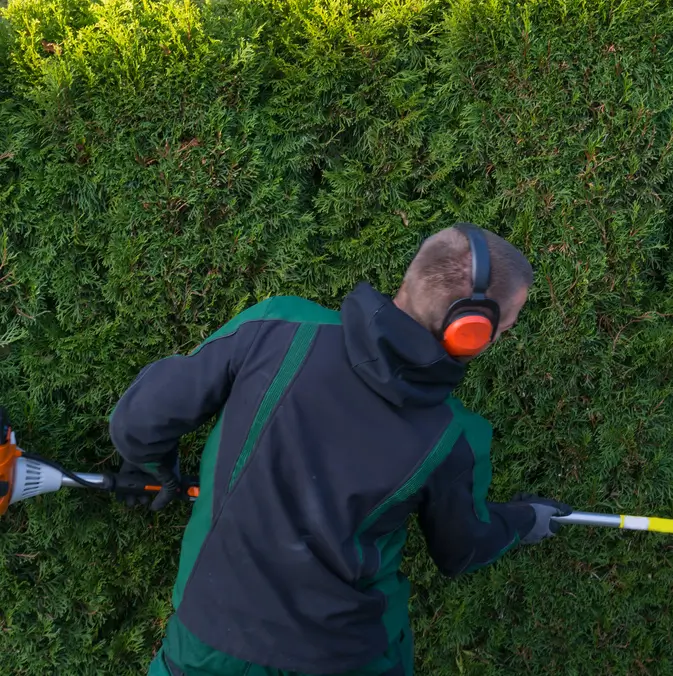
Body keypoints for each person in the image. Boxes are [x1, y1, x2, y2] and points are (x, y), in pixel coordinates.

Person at [109, 223, 570, 676]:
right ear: (468, 330)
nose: (503, 335)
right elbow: (462, 550)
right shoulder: (455, 439)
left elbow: (138, 423)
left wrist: (156, 470)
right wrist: (523, 520)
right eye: (504, 326)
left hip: (207, 643)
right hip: (348, 657)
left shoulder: (277, 326)